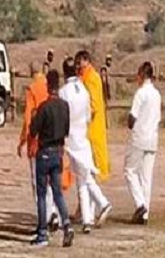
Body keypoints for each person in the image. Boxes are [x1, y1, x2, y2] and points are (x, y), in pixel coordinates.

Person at [60, 57, 112, 233]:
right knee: (83, 179)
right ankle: (87, 219)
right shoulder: (83, 88)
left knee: (85, 178)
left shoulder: (64, 92)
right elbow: (90, 114)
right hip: (83, 137)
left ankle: (103, 203)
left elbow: (62, 116)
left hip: (72, 139)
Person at [29, 70, 75, 248]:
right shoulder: (64, 106)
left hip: (45, 151)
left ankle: (42, 233)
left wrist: (34, 118)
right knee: (57, 192)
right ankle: (67, 224)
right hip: (58, 151)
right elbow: (66, 130)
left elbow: (34, 131)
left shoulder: (44, 107)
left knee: (41, 194)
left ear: (48, 86)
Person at [17, 63, 62, 231]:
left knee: (38, 183)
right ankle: (54, 212)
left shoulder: (32, 88)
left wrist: (23, 140)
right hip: (54, 140)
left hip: (37, 142)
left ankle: (45, 218)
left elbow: (29, 118)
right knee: (52, 182)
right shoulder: (48, 87)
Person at [124, 62, 161, 225]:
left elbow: (132, 116)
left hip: (139, 137)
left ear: (142, 75)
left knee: (129, 171)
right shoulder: (157, 94)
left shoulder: (141, 93)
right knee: (147, 177)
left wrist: (130, 124)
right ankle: (144, 214)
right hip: (152, 138)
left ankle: (140, 205)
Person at [75, 51, 110, 184]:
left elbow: (93, 105)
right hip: (87, 128)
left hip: (92, 128)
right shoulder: (85, 77)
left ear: (86, 61)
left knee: (92, 165)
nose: (78, 66)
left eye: (80, 63)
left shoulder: (92, 78)